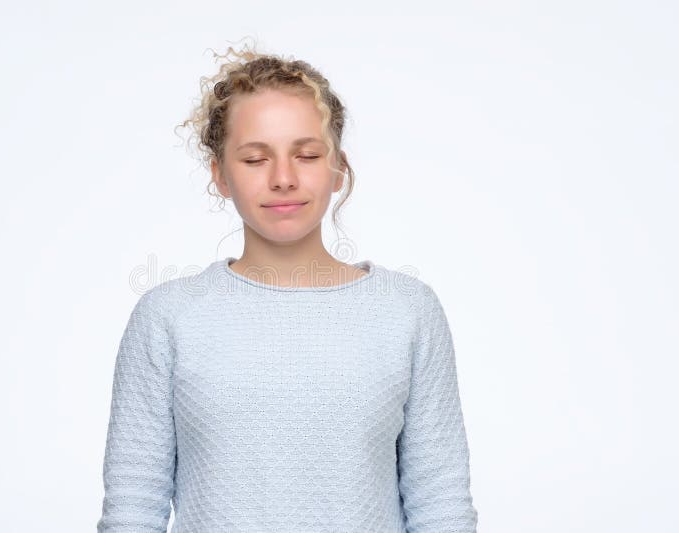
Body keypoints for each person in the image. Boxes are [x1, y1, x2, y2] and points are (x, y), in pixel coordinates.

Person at [96, 41, 479, 532]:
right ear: (221, 175)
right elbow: (132, 508)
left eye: (307, 155)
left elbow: (440, 504)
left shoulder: (407, 311)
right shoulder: (168, 317)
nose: (283, 178)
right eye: (255, 159)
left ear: (337, 167)